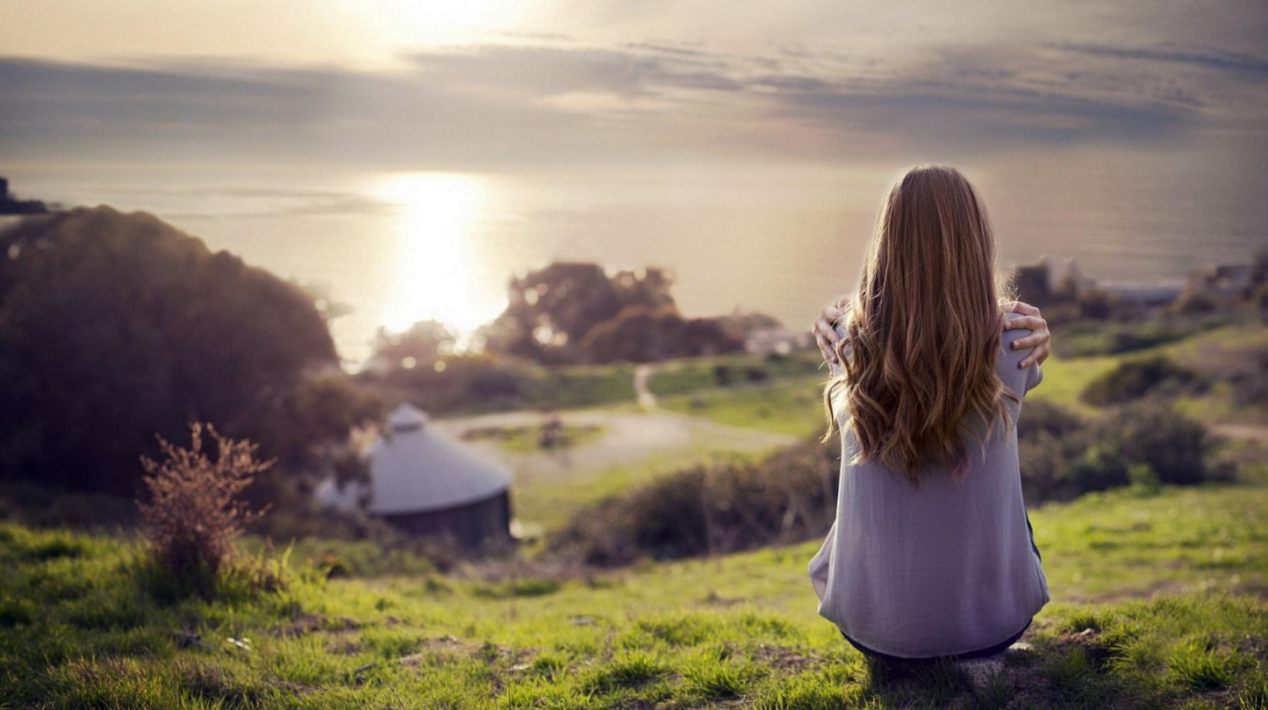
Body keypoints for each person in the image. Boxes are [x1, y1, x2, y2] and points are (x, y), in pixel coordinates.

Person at [807, 165, 1052, 662]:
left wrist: (836, 318)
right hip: (990, 630)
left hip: (870, 629)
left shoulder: (849, 343)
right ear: (976, 242)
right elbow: (1023, 363)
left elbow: (866, 322)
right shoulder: (1013, 341)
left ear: (886, 244)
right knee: (1014, 513)